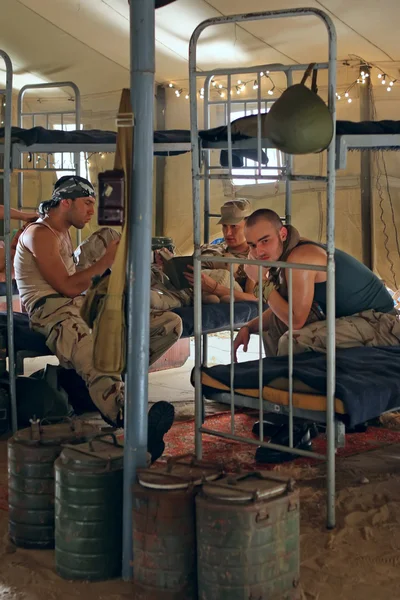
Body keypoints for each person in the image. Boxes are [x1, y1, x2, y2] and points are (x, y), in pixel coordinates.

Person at [13, 175, 179, 461]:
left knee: (168, 325)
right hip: (52, 310)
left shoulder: (62, 228)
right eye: (87, 203)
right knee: (91, 348)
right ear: (66, 202)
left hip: (78, 303)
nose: (92, 210)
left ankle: (93, 384)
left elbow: (76, 281)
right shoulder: (38, 234)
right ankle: (131, 419)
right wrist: (105, 264)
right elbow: (65, 286)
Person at [233, 208, 400, 461]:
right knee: (276, 327)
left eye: (265, 241)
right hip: (351, 321)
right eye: (253, 245)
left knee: (293, 338)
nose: (259, 252)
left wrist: (263, 284)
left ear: (282, 233)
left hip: (381, 323)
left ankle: (299, 428)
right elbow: (283, 311)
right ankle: (289, 409)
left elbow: (297, 320)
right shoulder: (285, 257)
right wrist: (249, 327)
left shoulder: (301, 257)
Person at [150, 199, 259, 310]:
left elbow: (254, 298)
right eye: (224, 226)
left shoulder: (254, 258)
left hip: (202, 294)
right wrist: (170, 265)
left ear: (248, 226)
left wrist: (215, 288)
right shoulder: (212, 248)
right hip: (182, 287)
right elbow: (189, 270)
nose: (228, 233)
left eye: (234, 226)